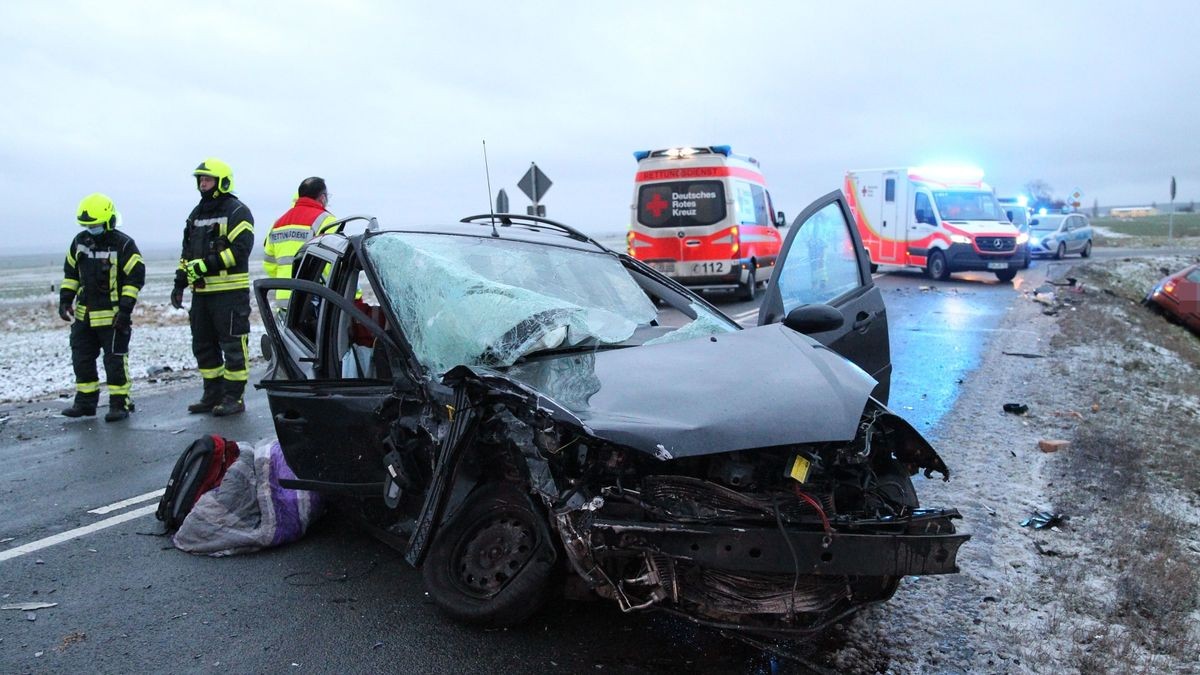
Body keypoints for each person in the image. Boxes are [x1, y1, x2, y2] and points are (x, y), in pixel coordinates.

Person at [170, 158, 255, 416]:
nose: (203, 184)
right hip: (202, 294)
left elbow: (240, 251)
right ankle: (212, 394)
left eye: (207, 179)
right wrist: (180, 283)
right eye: (201, 180)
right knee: (203, 345)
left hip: (229, 294)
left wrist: (207, 265)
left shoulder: (238, 211)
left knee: (232, 346)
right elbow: (187, 253)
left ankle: (234, 397)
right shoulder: (196, 215)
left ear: (222, 182)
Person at [59, 193, 145, 421]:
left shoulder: (124, 244)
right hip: (84, 316)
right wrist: (65, 300)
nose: (90, 228)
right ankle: (85, 403)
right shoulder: (79, 242)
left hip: (113, 317)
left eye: (94, 224)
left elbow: (135, 278)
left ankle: (120, 404)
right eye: (87, 225)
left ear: (108, 220)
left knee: (115, 361)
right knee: (82, 359)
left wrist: (125, 311)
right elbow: (71, 274)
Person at [262, 177, 337, 307]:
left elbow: (270, 264)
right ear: (323, 197)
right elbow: (332, 265)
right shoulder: (326, 221)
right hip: (314, 301)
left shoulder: (278, 224)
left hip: (284, 300)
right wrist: (355, 295)